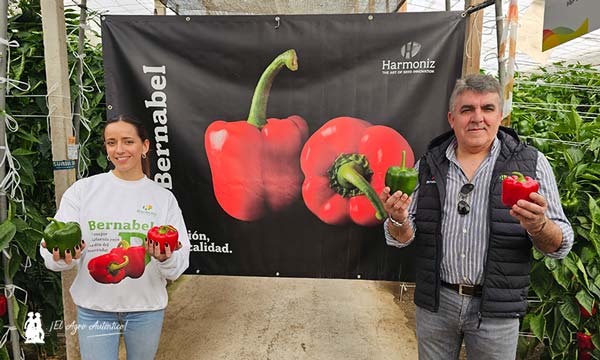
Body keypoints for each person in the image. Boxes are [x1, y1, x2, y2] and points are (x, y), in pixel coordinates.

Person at [380, 74, 573, 360]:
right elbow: (403, 238)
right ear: (452, 118)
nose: (477, 118)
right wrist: (397, 219)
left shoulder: (531, 163)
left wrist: (539, 225)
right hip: (437, 303)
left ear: (501, 116)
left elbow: (561, 245)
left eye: (487, 109)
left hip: (496, 309)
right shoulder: (430, 164)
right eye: (467, 109)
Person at [40, 115, 190, 360]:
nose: (119, 149)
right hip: (95, 308)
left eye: (128, 141)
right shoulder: (83, 191)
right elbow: (52, 252)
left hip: (146, 308)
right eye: (111, 142)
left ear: (145, 146)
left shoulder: (162, 199)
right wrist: (60, 256)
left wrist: (165, 259)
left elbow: (179, 263)